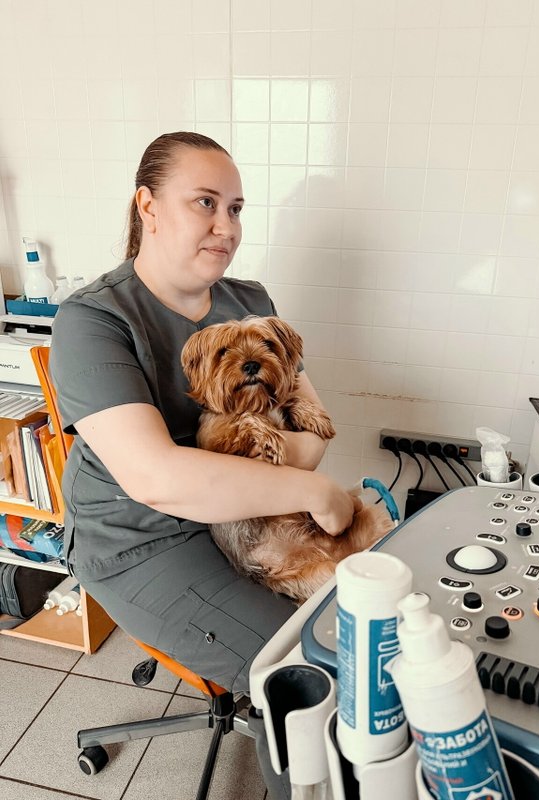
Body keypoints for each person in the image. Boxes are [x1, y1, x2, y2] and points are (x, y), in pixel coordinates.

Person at [50, 131, 359, 700]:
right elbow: (156, 479)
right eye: (206, 203)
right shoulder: (94, 321)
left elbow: (314, 431)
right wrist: (312, 490)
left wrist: (279, 467)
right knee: (321, 674)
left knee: (375, 626)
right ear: (148, 207)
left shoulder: (252, 303)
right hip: (142, 540)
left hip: (255, 516)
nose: (227, 226)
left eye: (235, 209)